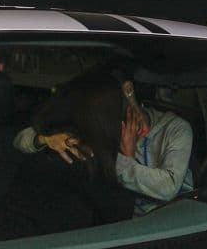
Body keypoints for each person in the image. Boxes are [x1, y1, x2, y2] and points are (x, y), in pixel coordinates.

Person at [0, 74, 137, 240]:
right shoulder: (84, 166)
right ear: (109, 122)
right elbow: (119, 228)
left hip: (0, 241)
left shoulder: (52, 145)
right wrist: (128, 158)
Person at [14, 75, 193, 216]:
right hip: (122, 222)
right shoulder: (100, 123)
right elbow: (20, 140)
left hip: (171, 220)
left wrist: (125, 161)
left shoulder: (175, 128)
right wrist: (45, 138)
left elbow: (167, 188)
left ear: (128, 90)